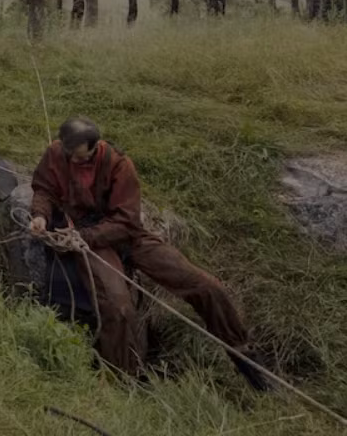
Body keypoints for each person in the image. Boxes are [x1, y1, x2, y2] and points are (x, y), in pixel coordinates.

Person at [28, 116, 267, 389]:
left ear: (96, 148)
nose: (74, 162)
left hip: (125, 235)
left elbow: (127, 222)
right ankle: (124, 383)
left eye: (81, 159)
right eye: (70, 156)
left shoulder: (119, 165)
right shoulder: (56, 154)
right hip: (92, 243)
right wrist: (40, 216)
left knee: (206, 286)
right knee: (118, 307)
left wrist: (82, 237)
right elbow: (44, 189)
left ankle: (248, 359)